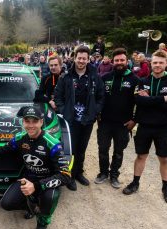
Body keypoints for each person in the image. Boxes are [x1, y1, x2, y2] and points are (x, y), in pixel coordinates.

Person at [0, 106, 71, 229]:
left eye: (34, 121)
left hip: (47, 181)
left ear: (41, 122)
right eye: (27, 121)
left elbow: (65, 176)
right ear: (23, 122)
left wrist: (37, 186)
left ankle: (41, 228)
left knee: (50, 198)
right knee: (6, 204)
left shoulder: (53, 144)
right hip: (28, 179)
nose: (31, 125)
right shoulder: (19, 138)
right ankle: (30, 206)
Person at [54, 45, 105, 191]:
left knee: (82, 149)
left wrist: (95, 111)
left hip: (87, 120)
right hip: (71, 120)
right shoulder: (66, 76)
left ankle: (79, 173)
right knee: (71, 149)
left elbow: (101, 97)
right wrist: (64, 111)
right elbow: (58, 96)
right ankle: (69, 175)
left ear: (89, 59)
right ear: (74, 58)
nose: (81, 61)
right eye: (79, 58)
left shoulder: (95, 76)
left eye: (84, 58)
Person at [122, 50, 167, 203]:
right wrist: (162, 99)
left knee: (164, 159)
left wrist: (150, 100)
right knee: (141, 156)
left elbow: (147, 102)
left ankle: (165, 187)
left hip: (163, 127)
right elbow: (139, 102)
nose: (158, 65)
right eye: (155, 62)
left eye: (161, 62)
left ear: (166, 64)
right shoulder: (143, 81)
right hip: (145, 126)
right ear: (151, 63)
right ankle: (135, 183)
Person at [95, 48, 139, 188]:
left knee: (118, 151)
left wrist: (134, 120)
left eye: (122, 60)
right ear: (112, 62)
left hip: (123, 124)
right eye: (117, 60)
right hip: (105, 122)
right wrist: (97, 114)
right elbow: (97, 98)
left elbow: (140, 103)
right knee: (103, 149)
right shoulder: (105, 78)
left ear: (127, 61)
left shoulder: (135, 80)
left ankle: (114, 175)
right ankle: (103, 173)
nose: (119, 62)